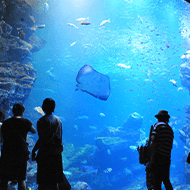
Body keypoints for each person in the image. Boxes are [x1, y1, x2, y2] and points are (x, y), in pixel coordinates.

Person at [32, 98, 70, 190]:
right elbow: (60, 137)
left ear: (43, 107)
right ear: (54, 107)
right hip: (56, 154)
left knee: (42, 181)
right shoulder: (59, 121)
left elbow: (41, 139)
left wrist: (34, 150)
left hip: (45, 153)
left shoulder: (41, 121)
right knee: (54, 181)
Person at [0, 103, 36, 190]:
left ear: (13, 111)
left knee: (4, 178)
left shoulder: (6, 123)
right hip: (21, 152)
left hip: (7, 152)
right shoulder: (26, 122)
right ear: (22, 111)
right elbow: (34, 131)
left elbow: (2, 137)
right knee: (21, 179)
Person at [149, 110, 174, 190]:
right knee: (166, 180)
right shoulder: (170, 129)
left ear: (158, 118)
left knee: (157, 182)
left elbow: (154, 141)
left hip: (158, 157)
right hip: (167, 158)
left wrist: (151, 159)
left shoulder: (157, 126)